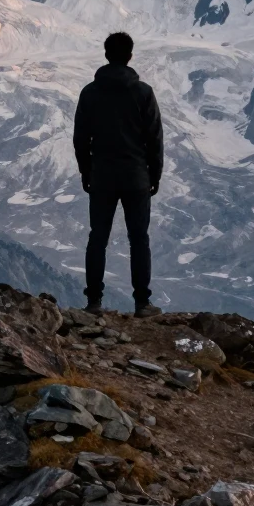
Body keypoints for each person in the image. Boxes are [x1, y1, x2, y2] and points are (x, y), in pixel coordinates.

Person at [73, 31, 163, 318]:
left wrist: (86, 171)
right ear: (130, 56)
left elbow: (80, 139)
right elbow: (154, 138)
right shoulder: (143, 92)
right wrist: (154, 174)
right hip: (136, 175)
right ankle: (142, 303)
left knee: (98, 236)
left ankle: (94, 302)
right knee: (139, 238)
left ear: (106, 54)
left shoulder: (90, 92)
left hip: (102, 176)